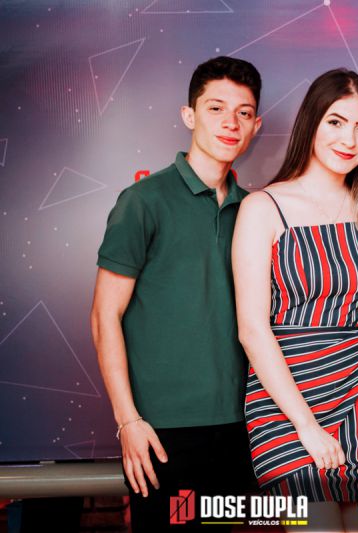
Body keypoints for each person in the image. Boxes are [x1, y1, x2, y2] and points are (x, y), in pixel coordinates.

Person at [91, 56, 263, 531]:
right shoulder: (143, 201)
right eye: (215, 108)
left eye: (244, 113)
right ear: (189, 115)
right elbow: (104, 316)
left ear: (255, 126)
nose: (230, 123)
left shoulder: (256, 210)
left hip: (245, 427)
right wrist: (128, 421)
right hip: (163, 432)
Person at [233, 68, 358, 530]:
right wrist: (305, 425)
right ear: (311, 123)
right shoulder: (262, 208)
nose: (350, 139)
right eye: (336, 122)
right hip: (287, 402)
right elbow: (252, 330)